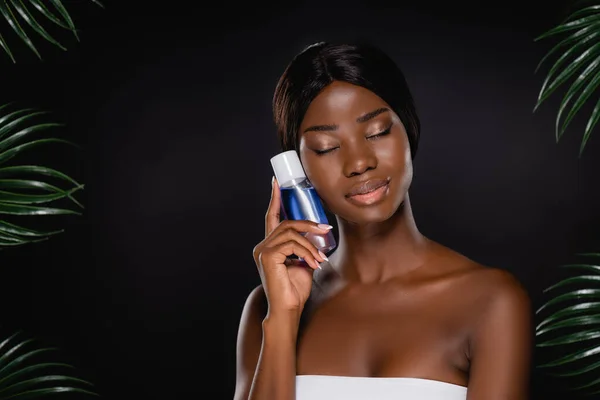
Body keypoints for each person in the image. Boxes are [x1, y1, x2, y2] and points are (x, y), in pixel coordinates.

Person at [233, 41, 533, 400]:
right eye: (327, 147)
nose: (359, 162)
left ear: (408, 128)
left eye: (376, 132)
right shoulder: (267, 307)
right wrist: (282, 320)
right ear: (296, 169)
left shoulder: (491, 300)